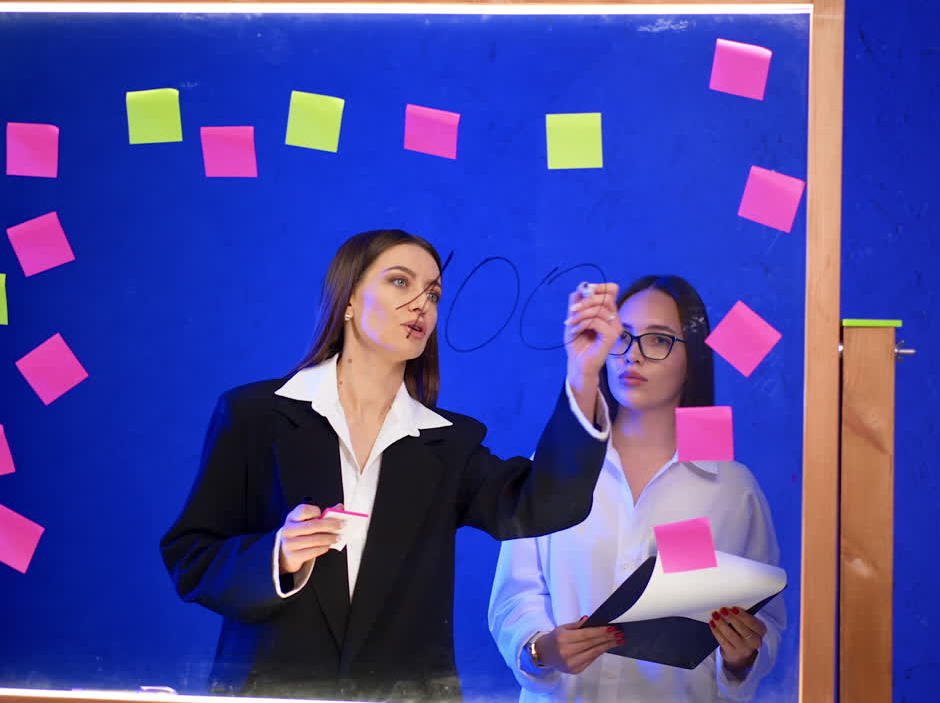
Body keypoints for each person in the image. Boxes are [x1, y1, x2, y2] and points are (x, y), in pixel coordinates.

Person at [160, 229, 624, 702]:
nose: (421, 303)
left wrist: (583, 374)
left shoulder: (449, 443)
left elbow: (545, 506)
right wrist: (276, 556)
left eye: (434, 293)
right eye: (400, 282)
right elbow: (191, 556)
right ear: (348, 301)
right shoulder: (254, 415)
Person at [488, 275, 787, 702]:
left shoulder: (731, 488)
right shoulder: (556, 467)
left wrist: (741, 658)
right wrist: (541, 648)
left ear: (693, 359)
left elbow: (768, 622)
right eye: (622, 338)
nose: (634, 357)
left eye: (659, 340)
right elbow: (515, 595)